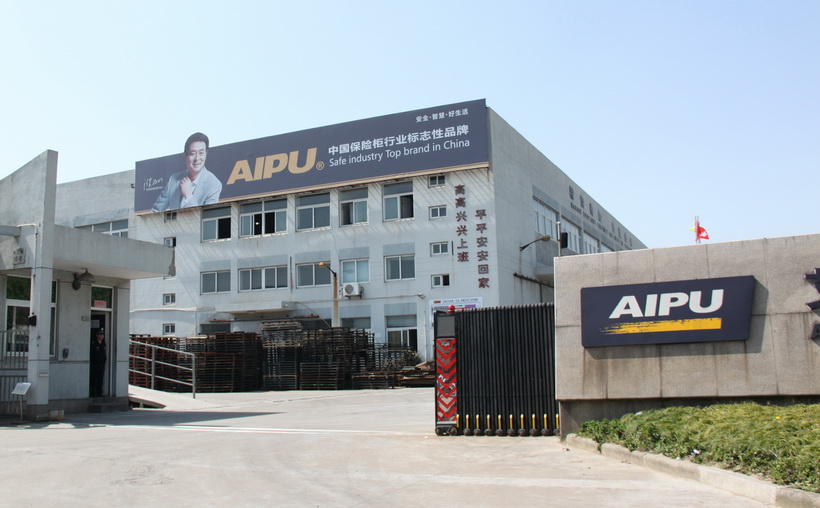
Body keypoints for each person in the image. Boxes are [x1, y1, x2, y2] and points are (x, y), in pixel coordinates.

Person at [151, 132, 223, 211]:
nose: (197, 158)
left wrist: (189, 196)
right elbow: (155, 211)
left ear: (206, 154)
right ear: (185, 156)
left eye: (201, 153)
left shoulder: (214, 185)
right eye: (192, 153)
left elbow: (207, 216)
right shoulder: (174, 179)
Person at [89, 328, 107, 397]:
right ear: (97, 335)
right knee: (94, 379)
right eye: (100, 334)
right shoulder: (94, 344)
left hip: (101, 365)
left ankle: (99, 393)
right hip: (95, 365)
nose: (101, 336)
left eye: (102, 335)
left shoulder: (103, 344)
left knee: (100, 379)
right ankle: (92, 393)